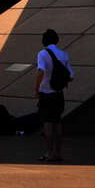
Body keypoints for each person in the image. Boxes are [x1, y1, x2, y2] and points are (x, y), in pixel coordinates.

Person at [34, 28, 74, 164]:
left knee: (47, 123)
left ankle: (49, 153)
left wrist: (36, 89)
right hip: (59, 94)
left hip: (46, 93)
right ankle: (58, 153)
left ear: (44, 40)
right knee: (57, 122)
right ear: (56, 40)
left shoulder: (42, 54)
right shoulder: (64, 54)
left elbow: (41, 71)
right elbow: (71, 76)